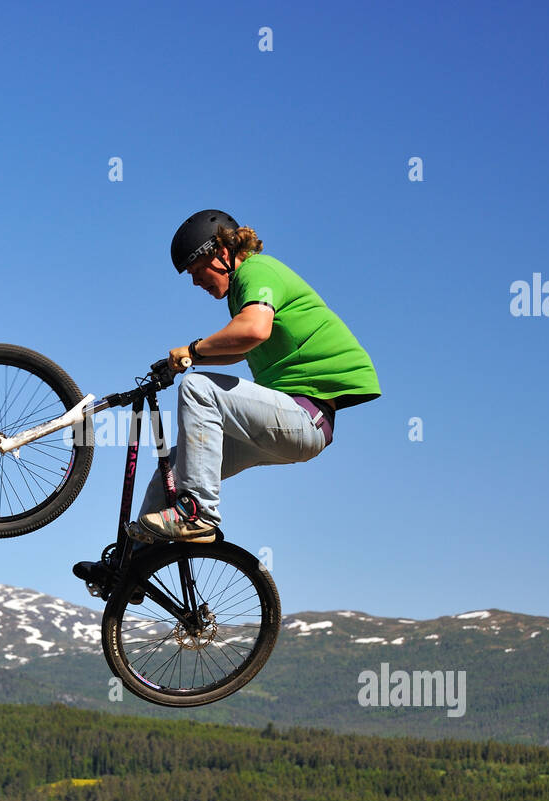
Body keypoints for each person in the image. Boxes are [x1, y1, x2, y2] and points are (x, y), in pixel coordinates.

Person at [74, 210, 380, 587]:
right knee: (172, 472)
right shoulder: (240, 295)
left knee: (199, 388)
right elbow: (238, 348)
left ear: (220, 250)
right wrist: (184, 360)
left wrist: (191, 350)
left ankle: (198, 513)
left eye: (195, 269)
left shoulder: (258, 271)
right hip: (283, 428)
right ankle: (131, 569)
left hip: (306, 417)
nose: (195, 281)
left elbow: (253, 330)